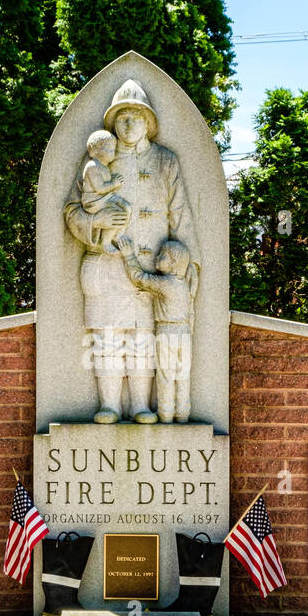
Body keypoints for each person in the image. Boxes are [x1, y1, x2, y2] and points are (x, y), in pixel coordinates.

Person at [63, 79, 199, 424]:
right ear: (112, 123)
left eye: (135, 117)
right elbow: (72, 212)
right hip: (107, 264)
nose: (128, 124)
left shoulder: (165, 161)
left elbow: (180, 212)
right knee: (107, 335)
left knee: (142, 336)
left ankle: (141, 403)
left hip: (151, 266)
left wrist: (190, 261)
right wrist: (99, 222)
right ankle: (109, 403)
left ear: (147, 122)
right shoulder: (96, 164)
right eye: (122, 117)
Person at [115, 235, 198, 422]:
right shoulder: (184, 285)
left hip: (167, 332)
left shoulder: (165, 283)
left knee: (165, 374)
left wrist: (129, 256)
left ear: (174, 262)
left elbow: (139, 278)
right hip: (184, 332)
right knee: (182, 375)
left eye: (163, 255)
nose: (157, 257)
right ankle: (183, 414)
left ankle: (166, 414)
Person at [80, 129, 130, 252]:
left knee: (127, 207)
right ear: (96, 150)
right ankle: (105, 242)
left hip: (105, 197)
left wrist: (112, 184)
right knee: (116, 213)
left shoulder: (104, 167)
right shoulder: (92, 166)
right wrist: (114, 183)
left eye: (114, 149)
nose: (113, 153)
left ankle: (118, 234)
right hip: (94, 201)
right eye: (110, 149)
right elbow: (100, 188)